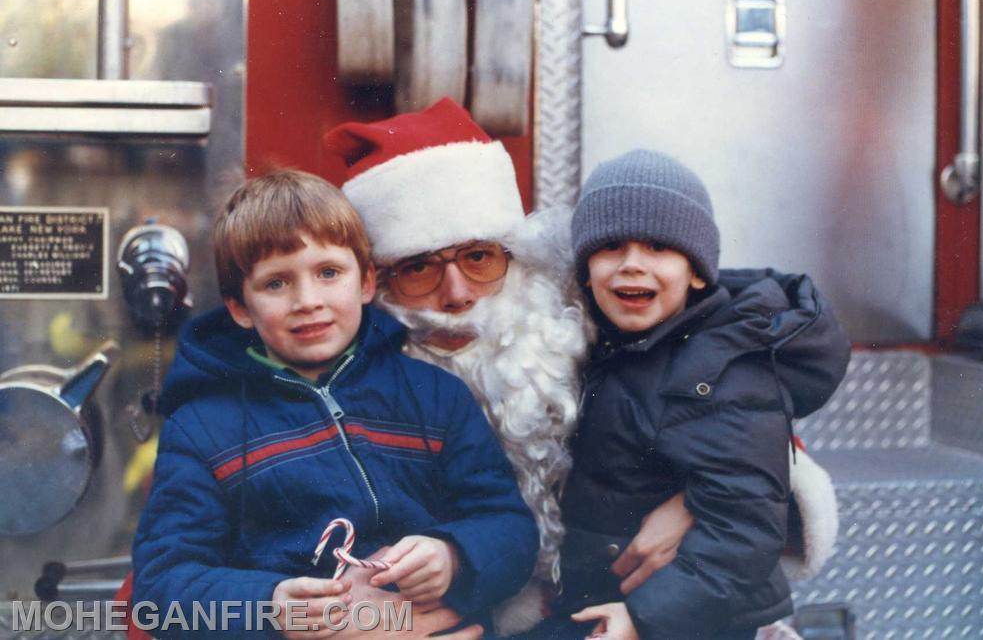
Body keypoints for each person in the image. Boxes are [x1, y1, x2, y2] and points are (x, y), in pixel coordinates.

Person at [131, 170, 538, 639]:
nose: (308, 301)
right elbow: (162, 584)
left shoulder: (435, 395)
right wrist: (271, 607)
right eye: (276, 283)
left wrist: (455, 556)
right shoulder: (202, 427)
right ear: (240, 307)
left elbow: (509, 526)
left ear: (366, 281)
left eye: (328, 273)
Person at [537, 149, 851, 639]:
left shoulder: (720, 370)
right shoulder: (610, 345)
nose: (632, 266)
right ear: (584, 269)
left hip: (684, 620)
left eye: (659, 247)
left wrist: (642, 619)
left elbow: (742, 531)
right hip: (608, 600)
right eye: (611, 246)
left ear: (698, 271)